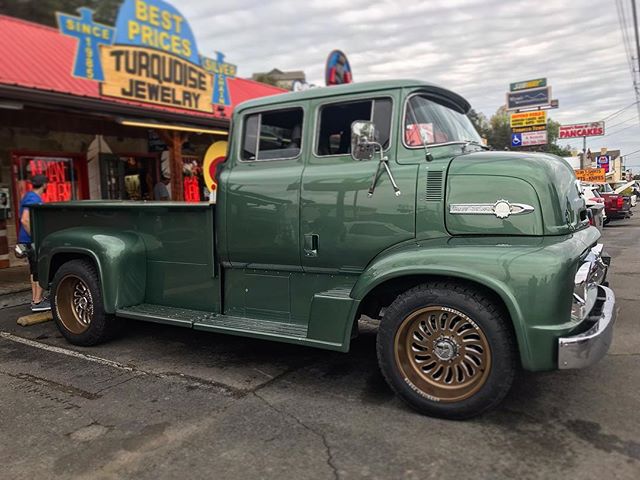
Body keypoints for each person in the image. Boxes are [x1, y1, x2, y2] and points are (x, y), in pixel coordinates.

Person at [18, 174, 50, 312]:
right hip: (31, 240)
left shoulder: (30, 196)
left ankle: (35, 299)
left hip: (28, 240)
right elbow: (25, 220)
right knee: (40, 269)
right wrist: (36, 237)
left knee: (34, 269)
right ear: (44, 184)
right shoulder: (32, 197)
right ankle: (37, 302)